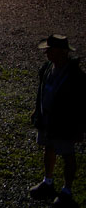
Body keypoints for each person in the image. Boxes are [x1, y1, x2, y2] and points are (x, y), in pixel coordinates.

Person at [29, 34, 86, 206]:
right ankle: (48, 181)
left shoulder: (76, 76)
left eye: (50, 50)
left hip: (64, 123)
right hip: (47, 118)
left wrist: (79, 127)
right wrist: (37, 111)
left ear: (61, 52)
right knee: (49, 148)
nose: (46, 53)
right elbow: (42, 91)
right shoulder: (47, 68)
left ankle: (66, 191)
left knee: (68, 155)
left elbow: (82, 104)